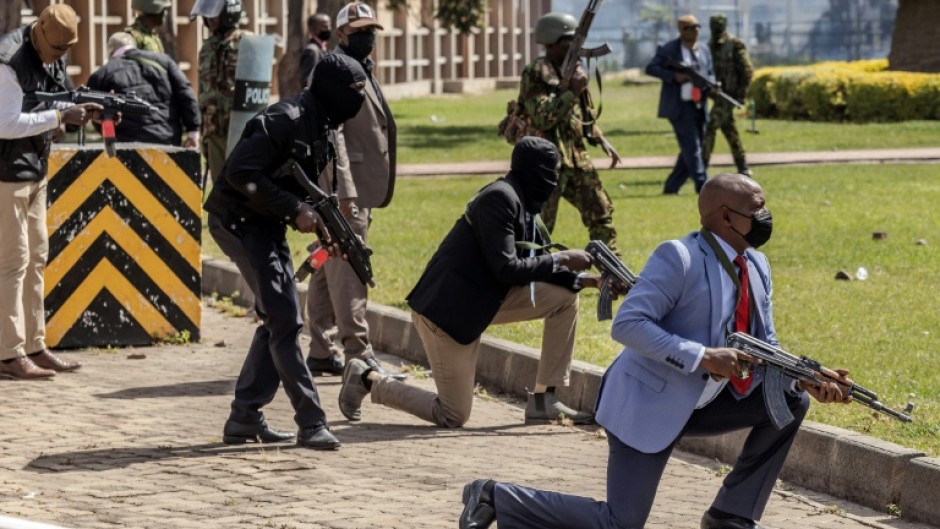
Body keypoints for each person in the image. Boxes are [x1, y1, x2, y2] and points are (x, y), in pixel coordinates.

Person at [458, 173, 854, 529]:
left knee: (789, 399)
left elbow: (765, 343)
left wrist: (806, 375)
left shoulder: (757, 263)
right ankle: (494, 495)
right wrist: (704, 356)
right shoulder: (679, 257)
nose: (766, 216)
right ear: (725, 217)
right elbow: (628, 324)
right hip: (648, 401)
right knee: (621, 523)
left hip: (706, 402)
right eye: (757, 209)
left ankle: (731, 516)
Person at [337, 136, 603, 427]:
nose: (556, 180)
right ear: (536, 172)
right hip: (448, 312)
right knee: (453, 414)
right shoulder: (500, 198)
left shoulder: (521, 200)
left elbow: (527, 265)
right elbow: (507, 268)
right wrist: (561, 259)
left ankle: (544, 400)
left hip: (484, 300)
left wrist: (589, 281)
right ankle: (367, 379)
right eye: (553, 172)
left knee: (564, 299)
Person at [203, 53, 369, 450]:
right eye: (354, 92)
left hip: (265, 222)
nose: (358, 102)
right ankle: (311, 421)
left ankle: (245, 417)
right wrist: (296, 210)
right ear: (332, 91)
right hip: (236, 220)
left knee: (278, 318)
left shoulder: (325, 125)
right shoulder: (284, 120)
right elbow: (240, 174)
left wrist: (332, 236)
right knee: (285, 319)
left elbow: (309, 190)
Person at [0, 4, 100, 379]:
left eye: (64, 52)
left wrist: (89, 111)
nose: (59, 58)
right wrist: (59, 118)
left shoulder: (53, 53)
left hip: (35, 170)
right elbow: (6, 123)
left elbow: (62, 99)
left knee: (37, 257)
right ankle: (9, 354)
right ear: (40, 33)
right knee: (12, 262)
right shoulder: (9, 61)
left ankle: (34, 345)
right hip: (6, 174)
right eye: (56, 50)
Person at [305, 1, 400, 381]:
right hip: (346, 191)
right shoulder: (336, 71)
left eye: (371, 31)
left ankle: (321, 349)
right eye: (359, 31)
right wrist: (345, 195)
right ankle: (359, 353)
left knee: (327, 262)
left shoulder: (361, 68)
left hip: (354, 189)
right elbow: (334, 134)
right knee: (351, 267)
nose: (367, 37)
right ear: (341, 33)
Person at [518, 12, 621, 251]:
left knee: (601, 214)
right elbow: (543, 118)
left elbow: (584, 115)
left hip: (576, 159)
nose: (576, 48)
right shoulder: (535, 73)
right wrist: (570, 91)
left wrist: (600, 138)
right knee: (539, 226)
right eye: (568, 42)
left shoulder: (575, 71)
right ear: (550, 42)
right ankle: (530, 280)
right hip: (546, 163)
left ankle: (612, 273)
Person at [87, 32, 201, 148]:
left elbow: (95, 113)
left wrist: (109, 136)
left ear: (111, 52)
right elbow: (186, 93)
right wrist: (193, 131)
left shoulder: (102, 74)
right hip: (167, 139)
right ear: (133, 45)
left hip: (125, 146)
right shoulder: (164, 62)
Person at [646, 15, 714, 195]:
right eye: (690, 27)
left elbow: (710, 72)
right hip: (679, 106)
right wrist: (674, 77)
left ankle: (671, 187)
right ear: (681, 30)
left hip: (700, 104)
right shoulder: (669, 50)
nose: (695, 31)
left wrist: (713, 85)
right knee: (692, 147)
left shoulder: (705, 50)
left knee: (692, 147)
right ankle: (703, 187)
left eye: (698, 27)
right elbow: (651, 68)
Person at [193, 0, 249, 183]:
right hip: (214, 130)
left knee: (242, 185)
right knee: (219, 187)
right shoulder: (207, 47)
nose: (210, 19)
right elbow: (202, 90)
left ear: (229, 13)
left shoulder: (247, 43)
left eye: (215, 14)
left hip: (241, 130)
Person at [702, 14, 754, 177]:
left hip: (730, 96)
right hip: (718, 95)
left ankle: (700, 168)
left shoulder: (734, 44)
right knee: (729, 130)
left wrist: (741, 94)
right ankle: (743, 166)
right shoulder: (709, 46)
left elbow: (747, 70)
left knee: (709, 127)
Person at [298, 13, 331, 91]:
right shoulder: (311, 51)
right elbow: (307, 82)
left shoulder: (323, 48)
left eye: (329, 26)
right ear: (313, 29)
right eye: (324, 27)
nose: (328, 29)